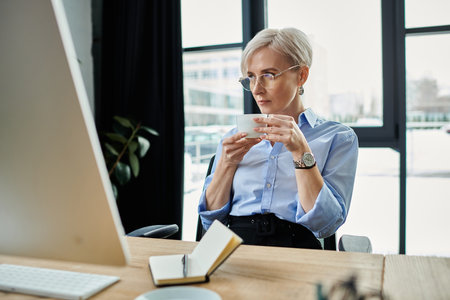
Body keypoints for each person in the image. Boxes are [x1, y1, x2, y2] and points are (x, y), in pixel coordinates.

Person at [198, 27, 358, 249]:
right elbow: (210, 222)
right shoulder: (234, 138)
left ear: (301, 75)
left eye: (268, 75)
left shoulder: (338, 137)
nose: (257, 89)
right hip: (233, 248)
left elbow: (326, 224)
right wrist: (226, 164)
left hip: (296, 249)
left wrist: (301, 152)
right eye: (251, 78)